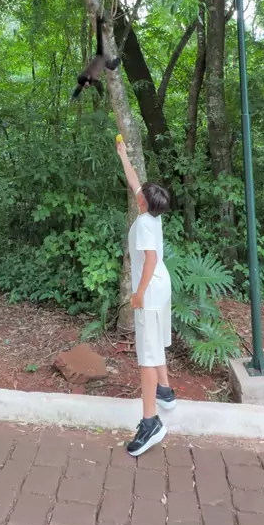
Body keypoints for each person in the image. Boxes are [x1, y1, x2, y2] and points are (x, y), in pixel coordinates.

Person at [116, 137, 176, 456]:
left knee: (147, 357)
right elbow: (135, 181)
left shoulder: (142, 224)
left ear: (144, 202)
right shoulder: (153, 215)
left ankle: (150, 422)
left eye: (141, 193)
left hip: (150, 291)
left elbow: (149, 260)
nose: (137, 192)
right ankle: (165, 390)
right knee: (155, 343)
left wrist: (138, 294)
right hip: (161, 285)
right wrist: (123, 155)